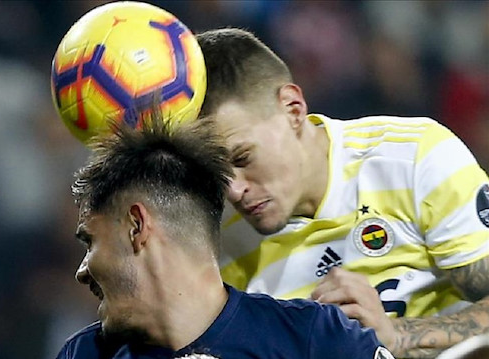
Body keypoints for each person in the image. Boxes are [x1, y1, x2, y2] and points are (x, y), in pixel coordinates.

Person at [195, 28, 489, 358]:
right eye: (215, 172)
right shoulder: (214, 240)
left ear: (293, 110)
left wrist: (395, 336)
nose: (234, 190)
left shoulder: (415, 158)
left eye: (243, 158)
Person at [57, 109, 394, 358]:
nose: (82, 270)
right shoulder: (85, 354)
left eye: (91, 241)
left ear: (137, 227)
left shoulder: (316, 339)